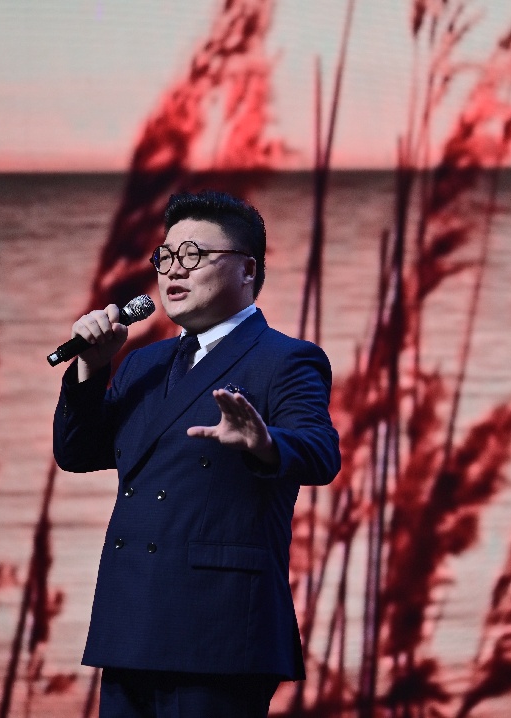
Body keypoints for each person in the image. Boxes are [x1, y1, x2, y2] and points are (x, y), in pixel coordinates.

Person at [53, 190, 341, 717]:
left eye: (195, 255)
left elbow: (321, 451)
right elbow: (77, 452)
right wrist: (91, 368)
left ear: (247, 270)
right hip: (130, 621)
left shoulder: (285, 359)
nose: (174, 270)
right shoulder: (143, 363)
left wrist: (264, 442)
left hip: (218, 630)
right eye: (166, 256)